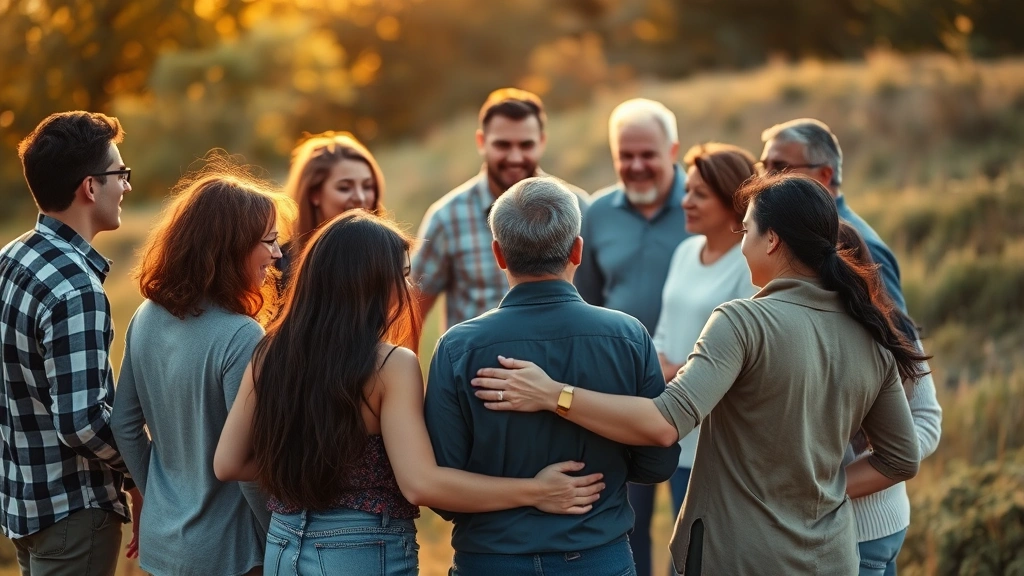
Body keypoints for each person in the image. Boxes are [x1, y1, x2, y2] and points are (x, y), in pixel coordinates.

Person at [471, 174, 926, 575]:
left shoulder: (744, 322)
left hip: (739, 556)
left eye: (746, 230)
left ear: (772, 241)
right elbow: (901, 458)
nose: (741, 244)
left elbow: (664, 424)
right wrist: (820, 490)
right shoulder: (871, 331)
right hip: (832, 557)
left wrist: (554, 395)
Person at [214, 210, 605, 576]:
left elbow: (228, 463)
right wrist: (538, 491)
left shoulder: (269, 352)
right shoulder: (389, 364)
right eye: (401, 276)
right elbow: (420, 484)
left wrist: (314, 468)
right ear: (367, 285)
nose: (409, 287)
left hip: (283, 542)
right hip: (362, 546)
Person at [424, 177, 680, 575]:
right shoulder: (627, 337)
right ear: (577, 249)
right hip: (599, 558)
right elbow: (657, 464)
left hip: (491, 560)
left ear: (499, 254)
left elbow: (443, 491)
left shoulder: (458, 348)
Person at [761, 118, 937, 570]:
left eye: (779, 166)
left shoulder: (857, 248)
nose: (766, 177)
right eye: (764, 165)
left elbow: (917, 409)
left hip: (859, 524)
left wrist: (837, 484)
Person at [110, 157, 295, 576]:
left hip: (163, 547)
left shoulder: (145, 315)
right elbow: (247, 464)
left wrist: (156, 496)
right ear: (229, 248)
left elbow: (124, 424)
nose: (278, 254)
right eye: (267, 241)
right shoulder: (240, 335)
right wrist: (278, 542)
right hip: (231, 556)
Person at [1, 111, 141, 575]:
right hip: (73, 513)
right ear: (90, 187)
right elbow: (82, 422)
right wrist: (144, 466)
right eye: (120, 174)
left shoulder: (11, 260)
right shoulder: (76, 288)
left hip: (23, 503)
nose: (126, 186)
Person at [572, 98, 690, 576]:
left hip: (697, 396)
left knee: (696, 525)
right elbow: (586, 303)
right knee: (625, 526)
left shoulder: (704, 207)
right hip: (621, 402)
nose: (636, 166)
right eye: (626, 155)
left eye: (648, 154)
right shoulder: (597, 212)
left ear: (673, 150)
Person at [412, 88, 588, 331]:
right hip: (477, 364)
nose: (515, 157)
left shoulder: (578, 207)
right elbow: (412, 310)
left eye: (526, 145)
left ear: (542, 142)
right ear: (481, 142)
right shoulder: (447, 217)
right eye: (503, 145)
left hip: (561, 364)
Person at [651, 143, 758, 536]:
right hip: (673, 424)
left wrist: (677, 374)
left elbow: (746, 355)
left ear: (734, 202)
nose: (685, 201)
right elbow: (664, 331)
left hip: (717, 440)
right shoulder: (684, 252)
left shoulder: (750, 265)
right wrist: (656, 369)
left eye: (700, 194)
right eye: (687, 190)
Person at [837, 222, 943, 576]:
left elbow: (927, 419)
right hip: (869, 527)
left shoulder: (894, 330)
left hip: (859, 529)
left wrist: (873, 464)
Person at [278, 131, 419, 351]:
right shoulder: (279, 265)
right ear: (314, 194)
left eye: (367, 186)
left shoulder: (387, 260)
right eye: (344, 187)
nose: (361, 198)